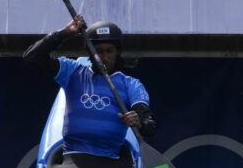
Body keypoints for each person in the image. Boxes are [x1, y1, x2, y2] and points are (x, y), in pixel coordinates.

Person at [22, 14, 157, 159]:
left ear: (117, 52)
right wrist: (65, 33)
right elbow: (32, 57)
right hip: (72, 158)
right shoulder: (72, 71)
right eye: (98, 51)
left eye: (109, 51)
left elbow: (149, 126)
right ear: (90, 52)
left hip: (110, 162)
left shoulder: (131, 84)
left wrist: (139, 123)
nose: (104, 57)